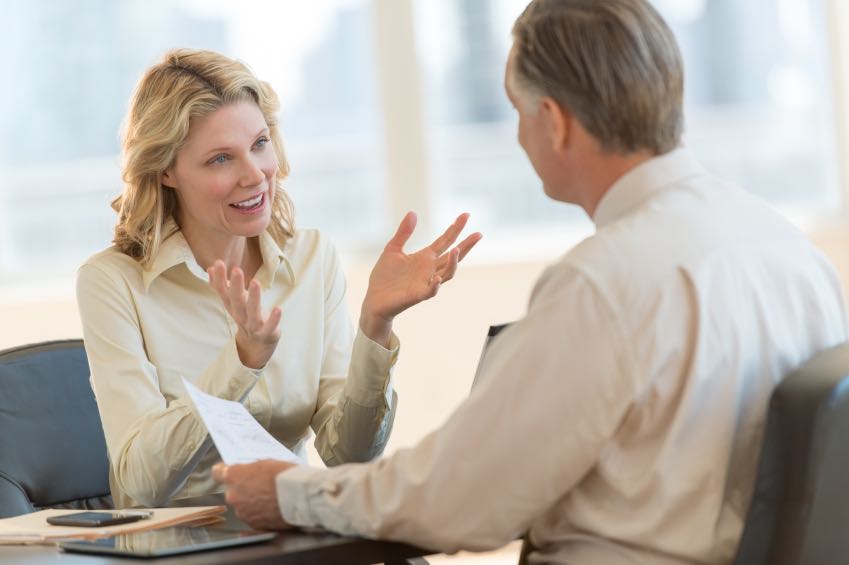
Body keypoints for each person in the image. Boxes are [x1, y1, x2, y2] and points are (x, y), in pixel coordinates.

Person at [213, 0, 849, 563]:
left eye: (517, 111)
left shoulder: (604, 284)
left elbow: (457, 498)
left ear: (555, 121)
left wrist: (286, 491)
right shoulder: (792, 252)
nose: (517, 134)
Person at [75, 48, 481, 509]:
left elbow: (349, 455)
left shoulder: (311, 258)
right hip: (183, 548)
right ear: (166, 170)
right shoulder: (112, 283)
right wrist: (240, 363)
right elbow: (137, 484)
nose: (255, 175)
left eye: (260, 144)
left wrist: (375, 326)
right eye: (220, 159)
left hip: (294, 532)